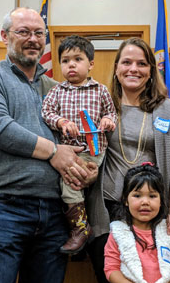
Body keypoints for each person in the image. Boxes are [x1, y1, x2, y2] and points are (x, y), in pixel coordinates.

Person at [0, 7, 97, 283]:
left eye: (39, 33)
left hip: (55, 214)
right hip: (4, 209)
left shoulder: (58, 89)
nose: (33, 39)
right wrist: (53, 152)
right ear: (4, 36)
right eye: (23, 32)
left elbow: (74, 143)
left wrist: (86, 169)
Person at [86, 37, 170, 283]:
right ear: (116, 68)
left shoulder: (169, 108)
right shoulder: (100, 106)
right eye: (127, 62)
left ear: (152, 69)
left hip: (153, 213)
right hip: (106, 210)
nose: (134, 69)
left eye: (142, 63)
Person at [42, 35, 117, 254]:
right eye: (65, 61)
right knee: (69, 183)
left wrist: (107, 120)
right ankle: (83, 228)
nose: (71, 64)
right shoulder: (57, 92)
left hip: (93, 150)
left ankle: (80, 229)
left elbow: (111, 112)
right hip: (69, 150)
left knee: (71, 184)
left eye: (78, 59)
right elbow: (46, 112)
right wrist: (61, 121)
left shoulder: (100, 90)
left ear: (90, 64)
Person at [104, 163, 170, 283]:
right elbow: (111, 270)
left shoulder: (169, 231)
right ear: (126, 199)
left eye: (152, 196)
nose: (145, 202)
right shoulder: (118, 233)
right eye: (137, 195)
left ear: (161, 200)